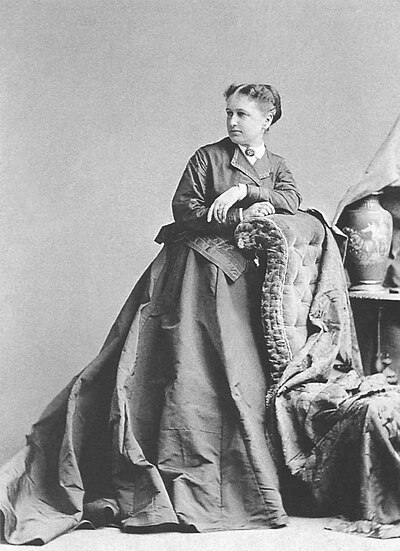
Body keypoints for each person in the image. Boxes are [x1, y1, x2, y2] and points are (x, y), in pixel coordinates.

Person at [0, 83, 301, 545]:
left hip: (241, 280)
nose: (232, 121)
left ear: (268, 118)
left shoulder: (276, 165)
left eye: (242, 114)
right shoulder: (206, 158)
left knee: (240, 376)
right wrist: (236, 215)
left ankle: (244, 483)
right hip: (191, 273)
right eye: (229, 113)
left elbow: (291, 201)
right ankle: (167, 476)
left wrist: (245, 189)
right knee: (180, 368)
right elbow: (185, 211)